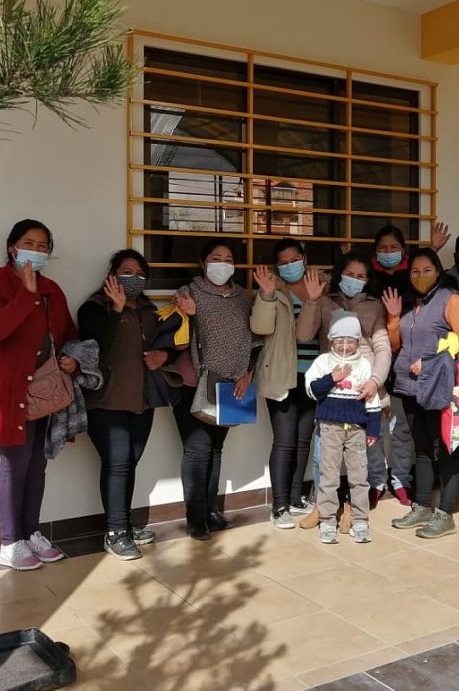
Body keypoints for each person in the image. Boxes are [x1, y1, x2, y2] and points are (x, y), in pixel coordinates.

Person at [0, 219, 77, 570]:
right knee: (13, 467)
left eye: (43, 245)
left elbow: (67, 334)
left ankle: (31, 533)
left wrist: (71, 361)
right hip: (9, 395)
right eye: (28, 243)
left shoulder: (52, 288)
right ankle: (9, 542)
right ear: (11, 247)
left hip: (45, 394)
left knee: (37, 466)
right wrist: (25, 297)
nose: (35, 250)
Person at [78, 249, 168, 561]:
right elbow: (93, 341)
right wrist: (115, 310)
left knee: (129, 463)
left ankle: (125, 526)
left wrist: (163, 356)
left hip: (142, 400)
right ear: (111, 276)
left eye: (139, 273)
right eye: (126, 271)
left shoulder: (149, 308)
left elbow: (164, 343)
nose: (133, 278)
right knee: (117, 464)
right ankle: (115, 532)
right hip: (106, 402)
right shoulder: (94, 307)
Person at [383, 248, 459, 539]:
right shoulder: (410, 303)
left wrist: (433, 360)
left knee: (447, 448)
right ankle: (422, 505)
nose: (420, 277)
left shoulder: (450, 299)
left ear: (438, 271)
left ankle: (445, 513)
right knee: (421, 449)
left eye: (426, 270)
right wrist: (395, 318)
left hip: (438, 385)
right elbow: (396, 344)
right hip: (409, 387)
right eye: (415, 272)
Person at [296, 251, 392, 528]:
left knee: (357, 457)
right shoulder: (325, 302)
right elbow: (303, 334)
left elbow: (383, 348)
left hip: (364, 391)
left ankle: (352, 506)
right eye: (350, 274)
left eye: (361, 276)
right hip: (333, 392)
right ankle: (321, 505)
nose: (355, 280)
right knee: (322, 455)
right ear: (340, 275)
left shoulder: (374, 307)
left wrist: (375, 381)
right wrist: (312, 301)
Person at [173, 240, 254, 540]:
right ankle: (195, 518)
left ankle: (211, 510)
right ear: (203, 262)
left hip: (231, 384)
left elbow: (253, 339)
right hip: (194, 383)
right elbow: (176, 337)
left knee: (216, 449)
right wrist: (191, 315)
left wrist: (246, 373)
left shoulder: (242, 298)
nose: (223, 263)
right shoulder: (187, 293)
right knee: (197, 450)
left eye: (229, 258)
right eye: (216, 258)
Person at [251, 238, 324, 530]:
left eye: (294, 259)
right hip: (281, 374)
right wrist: (266, 296)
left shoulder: (320, 287)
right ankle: (279, 505)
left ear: (304, 258)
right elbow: (260, 327)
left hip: (313, 375)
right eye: (282, 262)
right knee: (284, 441)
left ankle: (295, 497)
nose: (289, 265)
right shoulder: (274, 290)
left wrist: (314, 299)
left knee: (304, 439)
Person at [305, 311, 382, 545]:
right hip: (330, 428)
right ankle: (327, 521)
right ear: (331, 340)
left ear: (358, 342)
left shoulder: (365, 365)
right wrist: (332, 377)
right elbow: (312, 390)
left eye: (350, 341)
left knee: (359, 476)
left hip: (357, 429)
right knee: (328, 476)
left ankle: (360, 520)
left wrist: (372, 430)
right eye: (340, 341)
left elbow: (373, 401)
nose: (345, 346)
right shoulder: (323, 362)